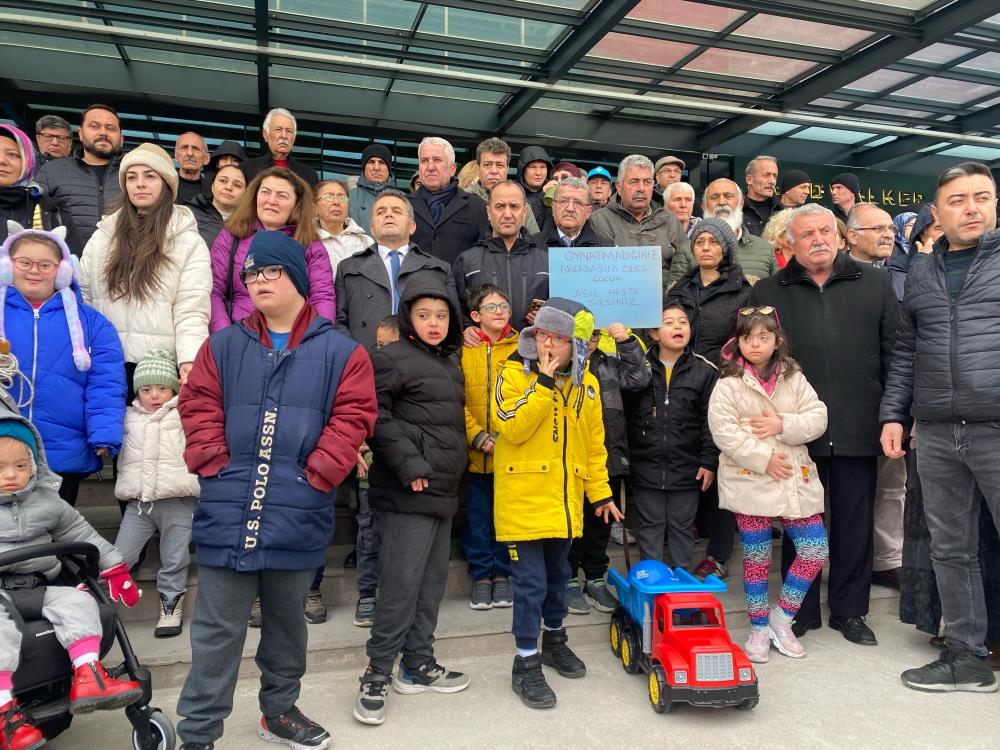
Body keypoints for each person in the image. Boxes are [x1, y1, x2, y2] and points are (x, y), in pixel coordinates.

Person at [176, 230, 376, 748]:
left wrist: (318, 474)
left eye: (271, 271)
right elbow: (196, 406)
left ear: (299, 278)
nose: (258, 281)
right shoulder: (223, 345)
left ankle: (279, 712)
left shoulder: (342, 351)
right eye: (251, 274)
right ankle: (198, 732)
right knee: (217, 632)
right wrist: (213, 463)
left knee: (287, 627)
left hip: (298, 511)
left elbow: (354, 417)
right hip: (227, 507)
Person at [879, 161, 1000, 693]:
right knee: (952, 548)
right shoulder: (923, 271)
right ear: (937, 211)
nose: (971, 208)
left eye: (982, 197)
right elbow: (907, 349)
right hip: (935, 430)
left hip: (996, 427)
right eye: (958, 199)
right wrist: (893, 414)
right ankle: (967, 655)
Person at [753, 203, 897, 646]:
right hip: (796, 432)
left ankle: (851, 611)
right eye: (806, 234)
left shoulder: (875, 283)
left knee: (855, 524)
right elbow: (756, 358)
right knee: (801, 523)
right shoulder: (769, 292)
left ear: (839, 236)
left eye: (824, 231)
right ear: (789, 244)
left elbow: (895, 352)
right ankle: (800, 610)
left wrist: (894, 414)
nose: (817, 239)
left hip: (858, 423)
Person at [492, 297, 623, 709]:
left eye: (560, 338)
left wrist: (600, 493)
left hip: (565, 504)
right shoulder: (512, 373)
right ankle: (525, 661)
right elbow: (509, 427)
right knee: (529, 586)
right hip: (523, 501)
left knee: (556, 580)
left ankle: (554, 641)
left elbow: (594, 445)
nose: (550, 345)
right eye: (543, 335)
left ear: (576, 345)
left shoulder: (587, 384)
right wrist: (543, 384)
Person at [353, 282, 470, 726]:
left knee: (430, 585)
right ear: (408, 320)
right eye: (424, 315)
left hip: (441, 489)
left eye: (441, 315)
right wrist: (409, 464)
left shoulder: (449, 363)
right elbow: (373, 415)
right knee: (400, 586)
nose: (434, 323)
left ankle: (418, 663)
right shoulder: (389, 358)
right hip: (408, 489)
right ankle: (377, 672)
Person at [0, 413, 142, 749]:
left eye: (21, 466)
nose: (11, 475)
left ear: (35, 466)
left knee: (79, 602)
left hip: (39, 584)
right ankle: (5, 710)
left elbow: (82, 532)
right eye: (1, 466)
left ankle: (88, 675)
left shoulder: (49, 501)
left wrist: (115, 567)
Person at [708, 306, 829, 663]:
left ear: (777, 340)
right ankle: (759, 626)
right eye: (748, 338)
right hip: (751, 483)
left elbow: (818, 415)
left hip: (793, 480)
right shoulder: (728, 382)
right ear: (738, 341)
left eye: (764, 337)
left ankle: (782, 618)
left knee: (814, 549)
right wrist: (762, 458)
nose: (756, 344)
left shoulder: (793, 376)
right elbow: (723, 431)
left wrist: (782, 425)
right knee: (757, 557)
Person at [1, 224, 125, 507]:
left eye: (45, 264)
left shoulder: (92, 323)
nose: (34, 270)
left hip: (62, 450)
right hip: (3, 448)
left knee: (52, 530)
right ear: (8, 265)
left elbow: (106, 383)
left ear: (63, 270)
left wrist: (104, 432)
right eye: (25, 263)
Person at [79, 142, 211, 397]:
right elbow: (84, 298)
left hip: (157, 373)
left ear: (166, 183)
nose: (139, 183)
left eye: (150, 176)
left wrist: (189, 360)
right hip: (104, 365)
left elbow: (192, 309)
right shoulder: (103, 236)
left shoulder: (188, 241)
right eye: (131, 177)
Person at [625, 302, 717, 572]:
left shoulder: (705, 371)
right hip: (646, 465)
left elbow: (711, 422)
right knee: (650, 528)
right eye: (669, 322)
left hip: (688, 467)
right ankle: (651, 589)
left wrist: (709, 462)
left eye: (683, 322)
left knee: (682, 527)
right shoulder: (637, 368)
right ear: (654, 333)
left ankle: (681, 591)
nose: (678, 326)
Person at [113, 349, 199, 639]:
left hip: (177, 500)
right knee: (120, 555)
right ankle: (105, 605)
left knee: (174, 557)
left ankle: (170, 605)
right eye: (146, 389)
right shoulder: (127, 416)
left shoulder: (185, 412)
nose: (154, 395)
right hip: (140, 503)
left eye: (162, 388)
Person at [567, 321, 649, 614]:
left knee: (601, 521)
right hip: (572, 455)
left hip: (609, 452)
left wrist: (626, 341)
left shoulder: (609, 363)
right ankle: (568, 579)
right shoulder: (562, 365)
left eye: (594, 335)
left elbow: (639, 379)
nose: (589, 340)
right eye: (583, 334)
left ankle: (595, 578)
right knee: (572, 520)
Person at [209, 166, 334, 333]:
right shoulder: (232, 236)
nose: (271, 200)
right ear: (255, 196)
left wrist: (315, 339)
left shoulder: (310, 243)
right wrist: (225, 338)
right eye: (265, 192)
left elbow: (322, 296)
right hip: (240, 336)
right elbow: (214, 291)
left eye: (282, 195)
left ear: (296, 204)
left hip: (295, 341)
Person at [336, 188, 460, 352]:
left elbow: (453, 326)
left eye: (396, 211)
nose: (388, 215)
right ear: (372, 228)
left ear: (412, 226)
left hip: (424, 363)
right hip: (367, 363)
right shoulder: (348, 268)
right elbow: (340, 322)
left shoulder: (439, 269)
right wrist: (353, 358)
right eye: (381, 212)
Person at [461, 284, 519, 611]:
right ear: (475, 316)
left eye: (505, 305)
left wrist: (503, 435)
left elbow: (524, 395)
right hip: (475, 454)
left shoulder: (523, 345)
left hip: (510, 451)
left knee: (507, 518)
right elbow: (456, 397)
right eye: (492, 306)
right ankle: (482, 576)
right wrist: (477, 435)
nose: (500, 311)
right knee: (478, 519)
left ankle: (504, 576)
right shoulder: (464, 349)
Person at [352, 314, 401, 630]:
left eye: (389, 346)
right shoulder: (364, 373)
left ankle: (396, 595)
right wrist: (356, 444)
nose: (381, 352)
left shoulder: (414, 377)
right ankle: (367, 593)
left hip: (402, 473)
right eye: (378, 345)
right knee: (369, 534)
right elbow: (353, 415)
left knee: (399, 539)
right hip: (371, 469)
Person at [453, 180, 548, 334]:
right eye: (500, 206)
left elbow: (559, 313)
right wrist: (467, 328)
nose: (507, 214)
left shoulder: (545, 263)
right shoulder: (468, 262)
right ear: (489, 213)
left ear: (524, 212)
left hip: (531, 353)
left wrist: (546, 318)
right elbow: (456, 308)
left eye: (514, 206)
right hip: (484, 352)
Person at [36, 104, 125, 255]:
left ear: (121, 138)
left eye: (111, 128)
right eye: (94, 126)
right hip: (66, 266)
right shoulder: (51, 171)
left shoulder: (133, 172)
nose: (103, 132)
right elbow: (32, 217)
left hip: (121, 266)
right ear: (81, 133)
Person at [590, 154, 687, 292]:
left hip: (664, 306)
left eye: (647, 182)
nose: (641, 188)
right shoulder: (598, 221)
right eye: (634, 181)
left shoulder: (670, 220)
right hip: (615, 302)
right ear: (619, 186)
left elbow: (686, 268)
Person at [668, 179, 777, 284]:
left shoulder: (764, 248)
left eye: (728, 196)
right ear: (704, 206)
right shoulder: (685, 251)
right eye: (714, 197)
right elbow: (676, 298)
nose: (722, 202)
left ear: (741, 202)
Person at [0, 122, 81, 250]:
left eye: (12, 154)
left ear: (27, 162)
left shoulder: (52, 213)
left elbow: (71, 263)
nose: (2, 160)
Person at [410, 137, 488, 266]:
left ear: (452, 169)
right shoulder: (403, 206)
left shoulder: (478, 207)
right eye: (424, 161)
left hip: (461, 285)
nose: (430, 167)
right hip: (413, 285)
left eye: (437, 160)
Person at [465, 138, 540, 235]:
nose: (494, 171)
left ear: (507, 169)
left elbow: (535, 243)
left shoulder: (521, 203)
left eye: (499, 165)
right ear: (478, 169)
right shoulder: (462, 200)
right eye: (487, 164)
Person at [240, 108, 317, 187]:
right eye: (278, 130)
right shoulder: (247, 169)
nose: (284, 136)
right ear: (265, 134)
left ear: (294, 138)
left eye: (289, 131)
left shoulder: (309, 175)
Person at [315, 178, 373, 276]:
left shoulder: (365, 242)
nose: (336, 202)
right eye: (328, 197)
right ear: (315, 206)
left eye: (342, 198)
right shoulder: (304, 240)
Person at [186, 164, 247, 248]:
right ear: (212, 187)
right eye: (223, 181)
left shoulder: (251, 224)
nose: (229, 187)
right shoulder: (188, 215)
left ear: (245, 193)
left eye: (237, 185)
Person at [349, 143, 395, 234]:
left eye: (381, 162)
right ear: (364, 168)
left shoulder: (403, 198)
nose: (376, 168)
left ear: (388, 168)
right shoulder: (349, 196)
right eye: (371, 162)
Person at [743, 155, 780, 238]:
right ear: (749, 179)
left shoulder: (782, 211)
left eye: (775, 176)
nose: (772, 181)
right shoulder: (737, 210)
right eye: (767, 175)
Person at [517, 146, 553, 231]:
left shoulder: (553, 193)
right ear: (523, 169)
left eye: (543, 167)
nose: (538, 173)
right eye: (532, 167)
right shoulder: (513, 193)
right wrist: (542, 196)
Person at [174, 132, 211, 204]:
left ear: (206, 158)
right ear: (176, 155)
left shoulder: (214, 192)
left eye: (196, 148)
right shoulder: (163, 186)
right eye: (184, 148)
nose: (190, 153)